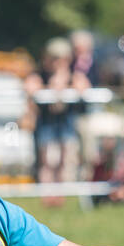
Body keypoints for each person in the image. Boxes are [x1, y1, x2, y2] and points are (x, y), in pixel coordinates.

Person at [24, 37, 89, 199]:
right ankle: (47, 197)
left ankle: (61, 196)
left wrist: (64, 82)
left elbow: (83, 87)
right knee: (47, 161)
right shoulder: (39, 74)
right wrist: (51, 87)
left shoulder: (74, 75)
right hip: (45, 123)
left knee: (65, 159)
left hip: (66, 122)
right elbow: (30, 87)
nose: (58, 62)